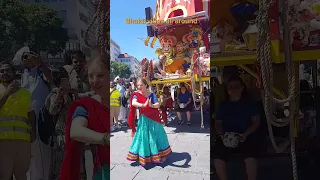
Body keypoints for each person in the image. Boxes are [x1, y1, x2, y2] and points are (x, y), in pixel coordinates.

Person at [59, 57, 110, 180]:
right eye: (91, 76)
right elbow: (75, 131)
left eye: (100, 75)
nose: (95, 81)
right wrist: (105, 138)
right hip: (104, 169)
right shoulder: (86, 105)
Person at [12, 47, 52, 180]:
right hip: (24, 123)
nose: (28, 59)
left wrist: (40, 64)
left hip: (42, 122)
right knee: (27, 158)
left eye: (31, 55)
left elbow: (52, 80)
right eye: (25, 57)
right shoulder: (18, 77)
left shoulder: (43, 73)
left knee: (42, 156)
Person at [213, 76, 260, 180]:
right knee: (217, 158)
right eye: (230, 87)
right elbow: (218, 123)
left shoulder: (249, 104)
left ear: (242, 88)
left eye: (236, 86)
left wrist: (246, 134)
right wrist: (222, 136)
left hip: (245, 137)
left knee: (251, 159)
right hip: (226, 137)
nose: (233, 89)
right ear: (227, 89)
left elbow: (256, 122)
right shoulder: (223, 105)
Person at [0, 62, 36, 180]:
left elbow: (31, 114)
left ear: (13, 73)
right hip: (3, 140)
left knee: (22, 174)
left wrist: (33, 132)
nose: (5, 73)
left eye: (7, 70)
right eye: (2, 71)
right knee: (4, 175)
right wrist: (7, 93)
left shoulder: (25, 93)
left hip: (23, 140)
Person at [127, 78, 172, 166]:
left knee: (156, 136)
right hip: (144, 119)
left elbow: (157, 105)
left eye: (141, 85)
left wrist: (151, 105)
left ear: (146, 85)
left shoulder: (151, 94)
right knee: (144, 137)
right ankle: (145, 156)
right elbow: (133, 103)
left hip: (154, 119)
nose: (139, 87)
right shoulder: (136, 94)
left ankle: (159, 154)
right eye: (138, 85)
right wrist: (143, 105)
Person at [44, 67, 73, 180]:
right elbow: (52, 110)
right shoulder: (55, 93)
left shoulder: (69, 93)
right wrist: (59, 96)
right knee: (60, 168)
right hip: (60, 135)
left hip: (70, 134)